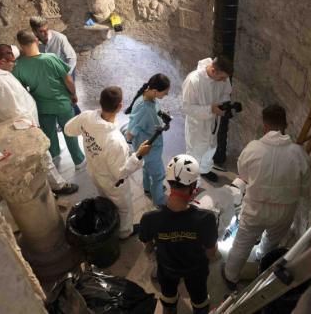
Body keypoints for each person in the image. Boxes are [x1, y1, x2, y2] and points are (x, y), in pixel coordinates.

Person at [222, 105, 311, 290]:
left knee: (242, 243)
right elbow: (304, 189)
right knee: (271, 241)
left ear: (264, 125)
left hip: (255, 209)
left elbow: (244, 175)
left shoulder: (253, 149)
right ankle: (260, 258)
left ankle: (231, 276)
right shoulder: (298, 153)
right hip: (284, 211)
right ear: (285, 125)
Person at [0, 44, 78, 195]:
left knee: (38, 157)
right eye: (12, 62)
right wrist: (30, 126)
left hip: (21, 121)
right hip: (22, 125)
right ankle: (58, 186)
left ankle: (46, 188)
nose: (14, 65)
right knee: (41, 155)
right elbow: (12, 110)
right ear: (2, 61)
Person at [64, 86, 151, 239]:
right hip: (113, 182)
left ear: (100, 102)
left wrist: (87, 133)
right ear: (119, 107)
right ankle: (124, 233)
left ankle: (108, 217)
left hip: (94, 171)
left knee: (104, 198)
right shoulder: (115, 141)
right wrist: (138, 156)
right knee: (124, 208)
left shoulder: (86, 117)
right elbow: (120, 173)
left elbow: (68, 129)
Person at [139, 154, 218, 314]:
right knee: (199, 298)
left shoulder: (149, 218)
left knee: (168, 296)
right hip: (196, 270)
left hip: (167, 269)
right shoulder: (206, 219)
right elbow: (211, 253)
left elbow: (148, 248)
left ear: (168, 183)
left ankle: (169, 309)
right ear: (194, 186)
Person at [12, 30, 86, 168]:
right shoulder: (50, 58)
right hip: (61, 102)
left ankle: (55, 156)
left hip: (41, 105)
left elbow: (21, 88)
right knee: (69, 130)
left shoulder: (19, 66)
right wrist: (73, 94)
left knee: (49, 132)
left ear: (21, 46)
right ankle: (78, 160)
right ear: (36, 40)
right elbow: (68, 79)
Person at [182, 56, 233, 183]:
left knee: (211, 146)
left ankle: (205, 170)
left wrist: (223, 105)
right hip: (197, 125)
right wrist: (210, 109)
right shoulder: (193, 81)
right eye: (222, 78)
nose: (224, 81)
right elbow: (187, 107)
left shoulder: (223, 78)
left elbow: (226, 93)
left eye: (226, 78)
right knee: (195, 151)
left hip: (213, 122)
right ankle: (191, 179)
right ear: (213, 70)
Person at [125, 73, 171, 206]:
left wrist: (161, 120)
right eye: (165, 93)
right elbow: (130, 133)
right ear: (155, 91)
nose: (166, 95)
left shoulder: (148, 96)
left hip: (150, 145)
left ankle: (147, 188)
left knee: (147, 168)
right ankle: (159, 201)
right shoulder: (144, 108)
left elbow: (151, 116)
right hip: (149, 147)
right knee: (158, 175)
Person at [29, 16, 81, 115]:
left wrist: (65, 75)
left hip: (66, 70)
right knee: (58, 97)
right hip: (51, 74)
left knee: (69, 96)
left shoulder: (60, 38)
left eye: (46, 29)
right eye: (41, 31)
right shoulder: (33, 42)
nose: (46, 33)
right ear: (34, 31)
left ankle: (78, 118)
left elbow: (72, 58)